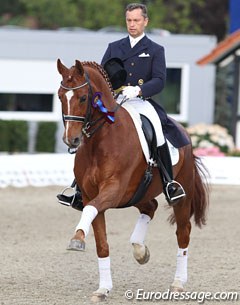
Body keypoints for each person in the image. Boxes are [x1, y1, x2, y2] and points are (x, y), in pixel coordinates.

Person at [57, 3, 186, 207]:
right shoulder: (114, 47)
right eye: (129, 20)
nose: (132, 24)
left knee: (157, 131)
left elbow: (160, 80)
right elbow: (100, 76)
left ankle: (169, 182)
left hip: (140, 101)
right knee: (92, 129)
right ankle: (79, 189)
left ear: (145, 21)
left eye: (136, 20)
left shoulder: (155, 49)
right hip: (116, 100)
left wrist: (139, 90)